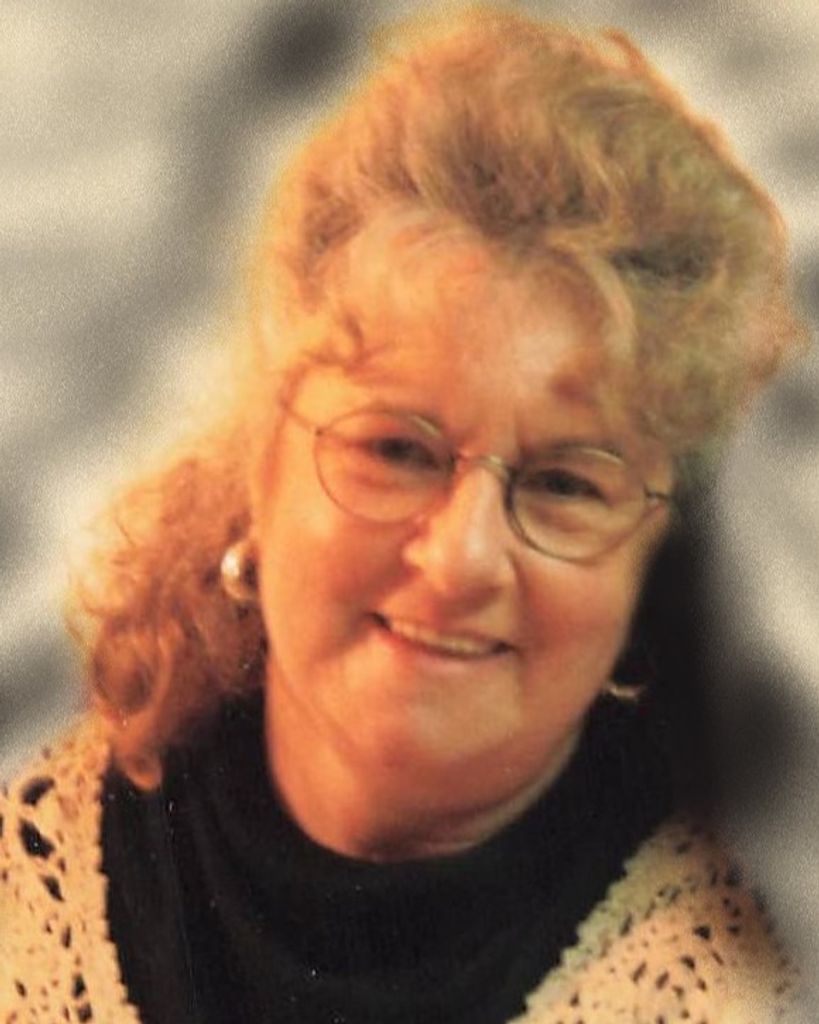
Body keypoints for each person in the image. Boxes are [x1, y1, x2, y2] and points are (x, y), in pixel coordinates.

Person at [0, 8, 808, 1022]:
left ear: (651, 565)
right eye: (396, 450)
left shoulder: (752, 983)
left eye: (565, 484)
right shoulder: (26, 877)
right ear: (261, 463)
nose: (462, 557)